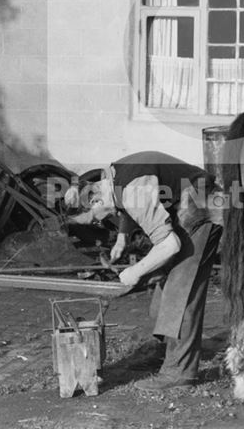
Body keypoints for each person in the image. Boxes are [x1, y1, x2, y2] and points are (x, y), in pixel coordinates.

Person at [66, 150, 223, 391]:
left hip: (203, 207)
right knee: (163, 289)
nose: (99, 223)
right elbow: (125, 202)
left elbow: (170, 244)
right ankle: (165, 351)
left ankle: (180, 372)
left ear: (96, 200)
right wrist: (122, 236)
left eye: (94, 220)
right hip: (184, 205)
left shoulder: (132, 192)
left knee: (181, 288)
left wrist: (135, 271)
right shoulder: (113, 176)